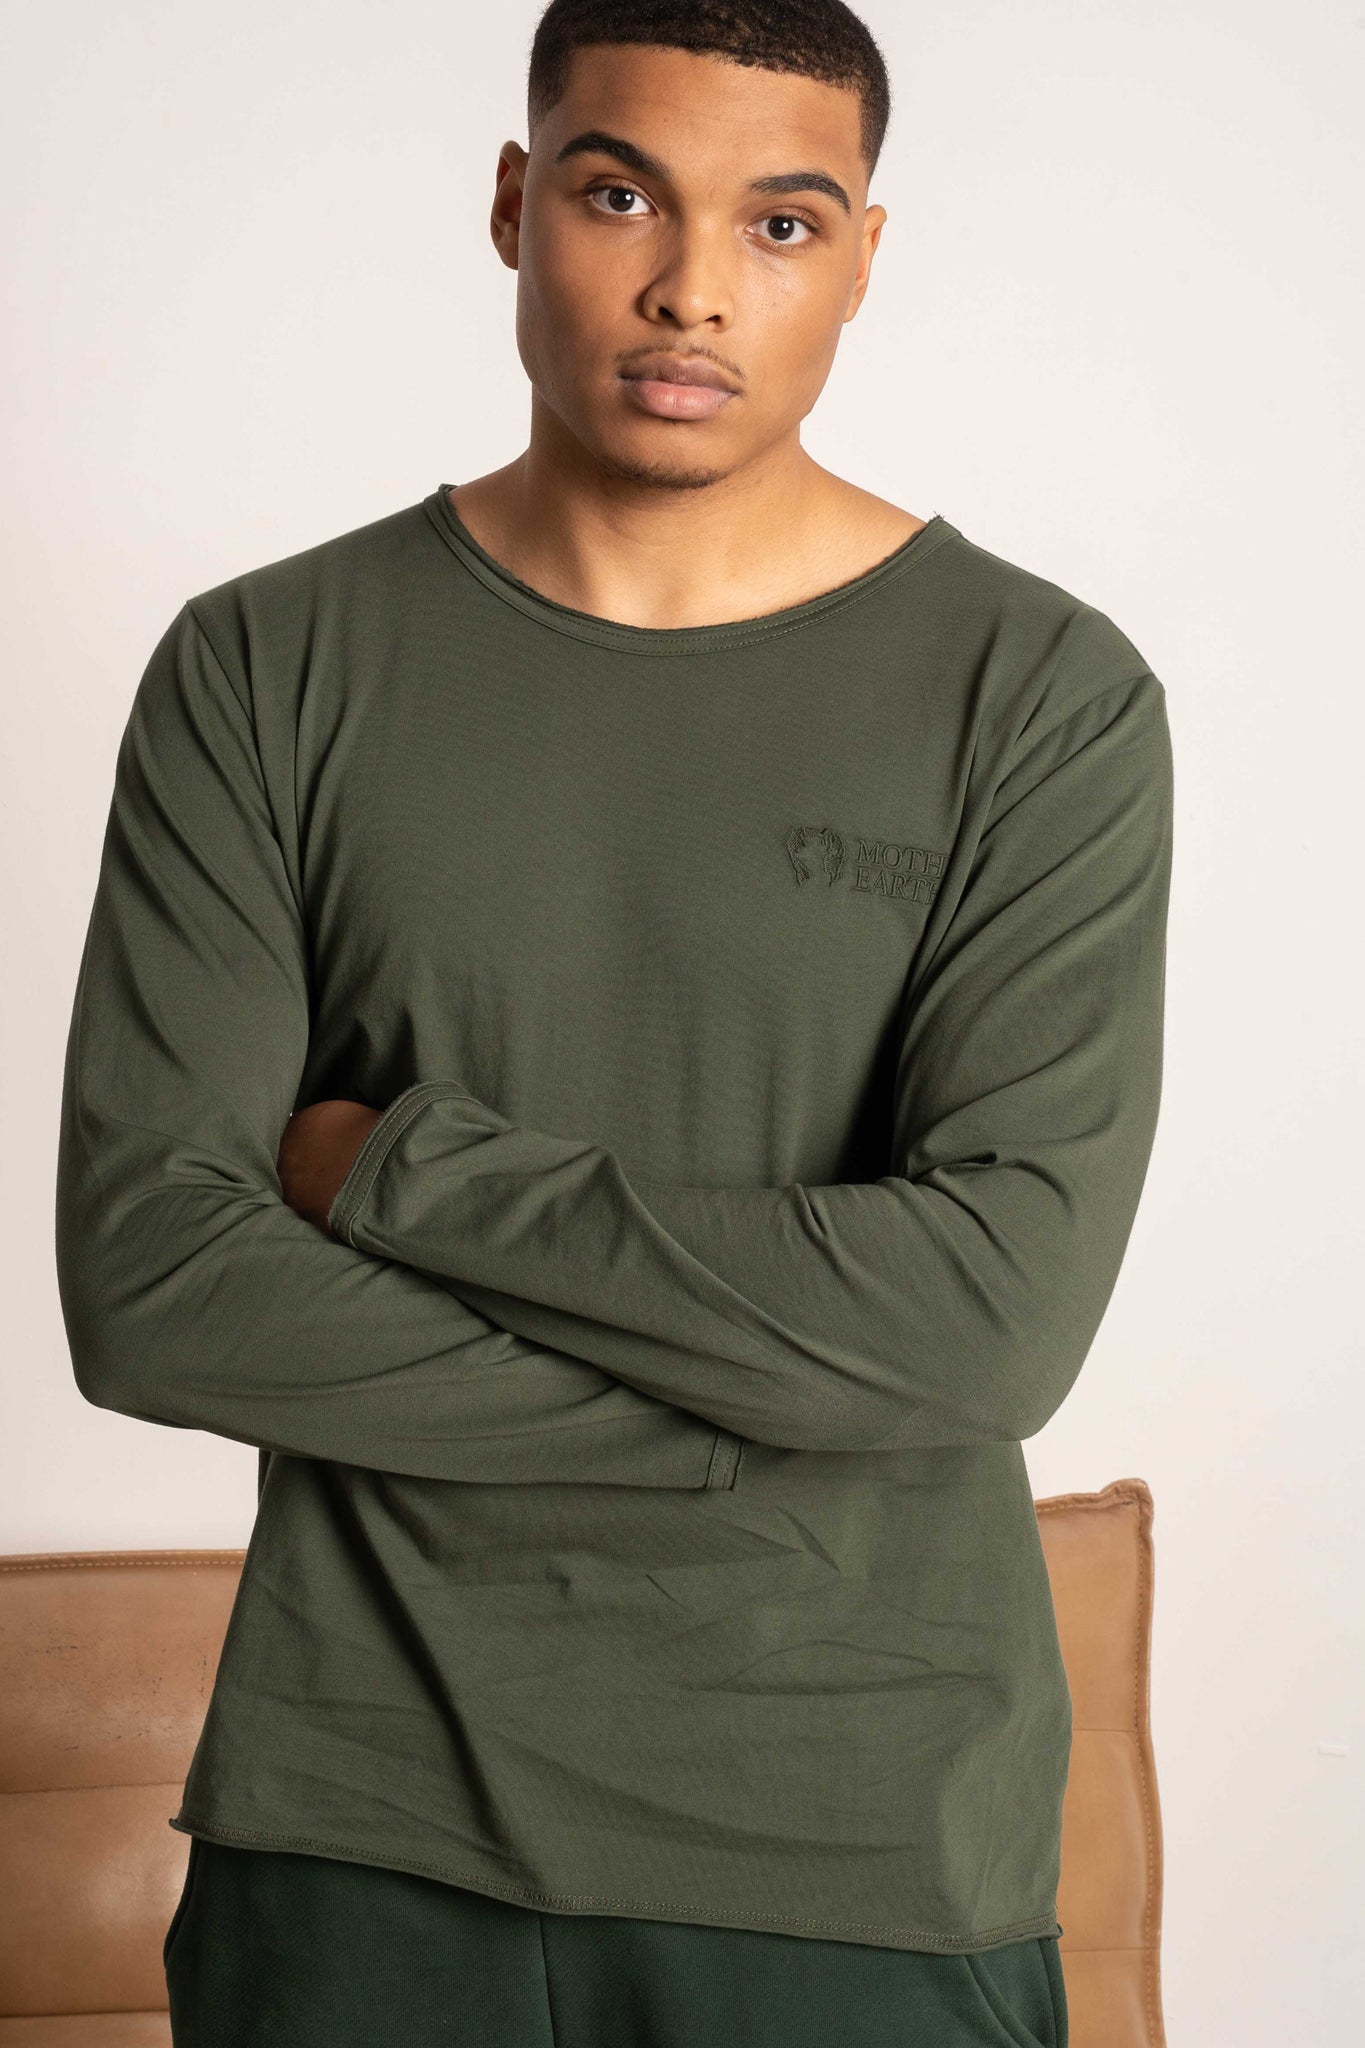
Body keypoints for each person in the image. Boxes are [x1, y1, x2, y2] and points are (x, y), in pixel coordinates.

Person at [55, 1, 1173, 2042]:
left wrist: (398, 1168)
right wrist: (772, 1404)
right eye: (618, 194)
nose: (689, 288)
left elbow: (986, 1323)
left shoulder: (1037, 697)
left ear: (860, 259)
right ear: (514, 204)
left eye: (779, 223)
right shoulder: (263, 666)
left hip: (861, 1843)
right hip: (362, 1823)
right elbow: (156, 1289)